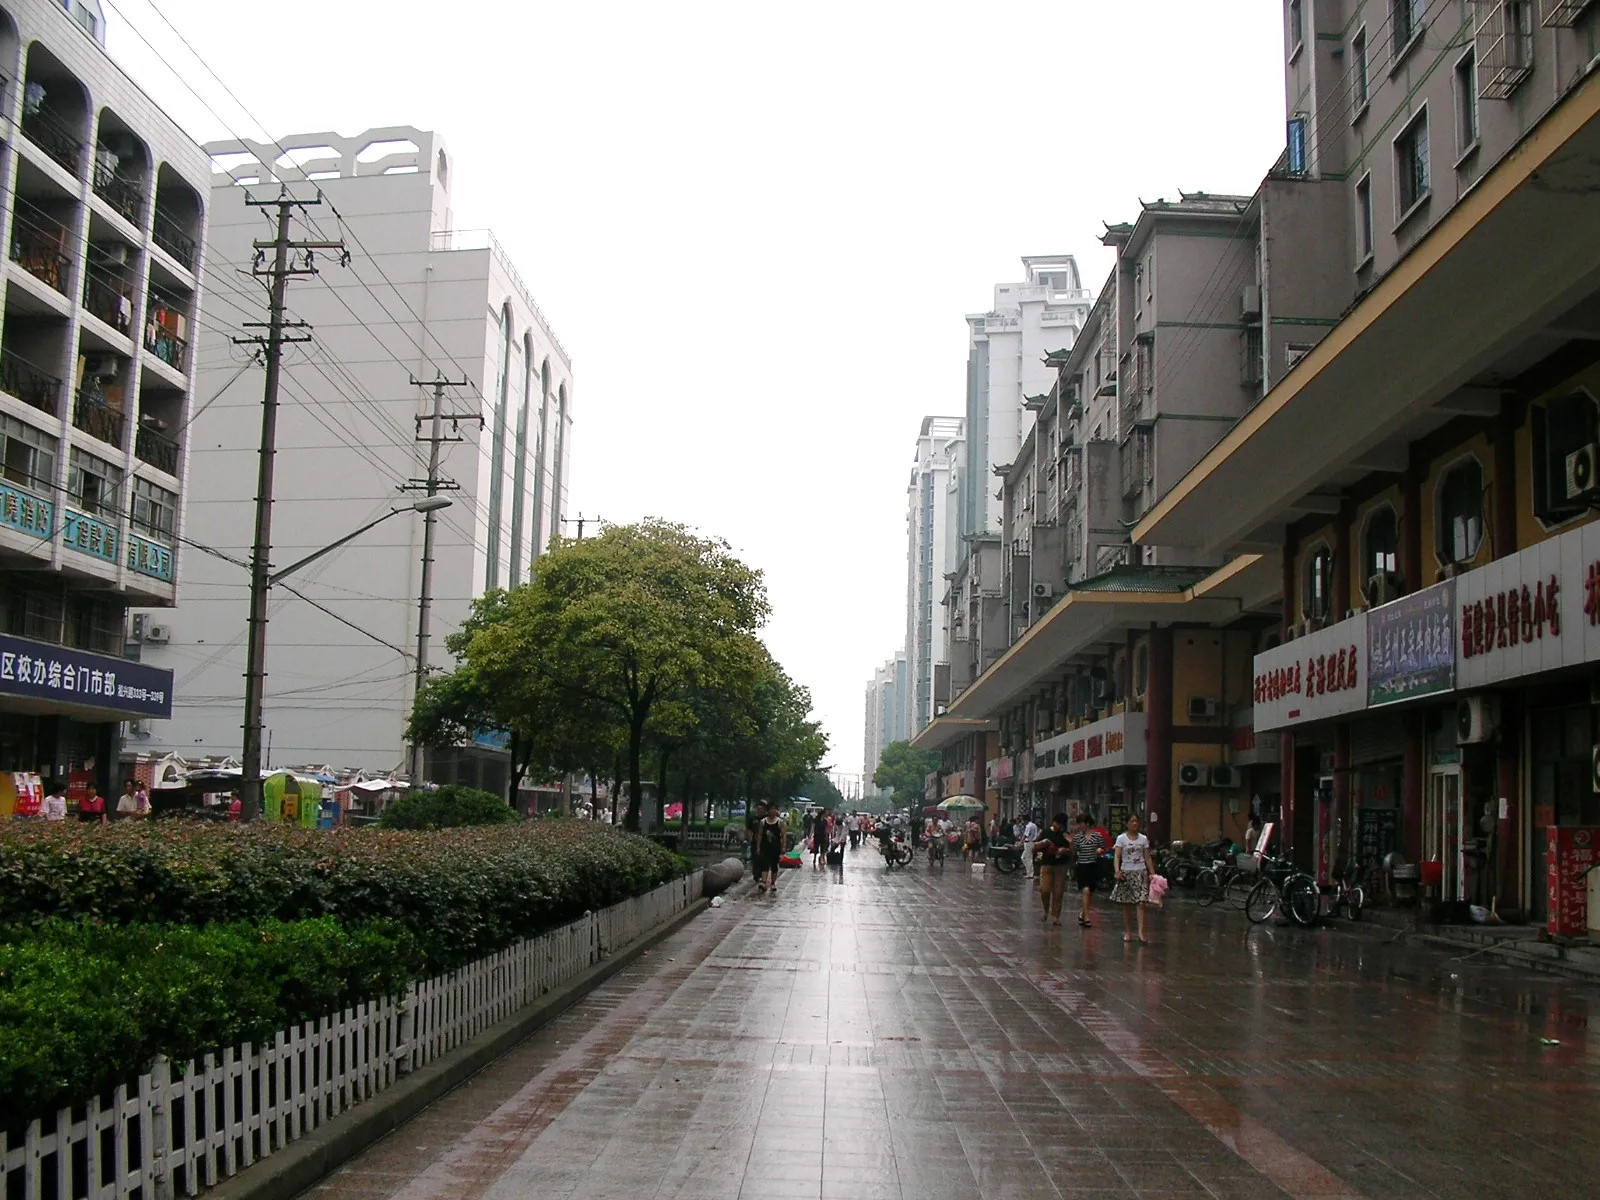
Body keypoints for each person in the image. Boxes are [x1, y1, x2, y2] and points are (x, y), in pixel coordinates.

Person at [1111, 814, 1154, 943]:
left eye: (1137, 821)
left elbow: (1147, 857)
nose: (1135, 823)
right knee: (1127, 904)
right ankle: (1128, 931)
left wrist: (1152, 873)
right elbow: (1117, 856)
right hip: (1126, 873)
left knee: (1141, 902)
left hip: (1140, 872)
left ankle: (1141, 931)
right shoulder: (1121, 839)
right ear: (1127, 823)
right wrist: (1117, 871)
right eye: (1132, 821)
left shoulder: (1143, 839)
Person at [1072, 813, 1108, 928]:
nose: (1080, 826)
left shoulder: (1097, 835)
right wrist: (1070, 842)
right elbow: (1074, 851)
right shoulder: (1078, 837)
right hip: (1082, 866)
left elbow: (1103, 848)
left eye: (1081, 823)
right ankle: (1087, 917)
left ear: (1087, 823)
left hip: (1093, 865)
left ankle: (1083, 913)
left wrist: (1100, 851)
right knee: (1085, 890)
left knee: (1090, 891)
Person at [1035, 814, 1071, 925]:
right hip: (1047, 864)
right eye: (1058, 824)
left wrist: (1066, 847)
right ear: (1053, 822)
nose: (1059, 827)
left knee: (1058, 892)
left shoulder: (1065, 835)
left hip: (1061, 865)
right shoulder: (1046, 832)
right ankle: (1046, 910)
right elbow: (1035, 846)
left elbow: (1072, 851)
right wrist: (1044, 843)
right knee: (1044, 889)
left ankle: (1056, 916)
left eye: (1062, 825)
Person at [754, 803, 786, 894]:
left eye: (774, 809)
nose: (773, 811)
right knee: (764, 864)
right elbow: (760, 835)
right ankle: (764, 882)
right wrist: (758, 847)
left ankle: (773, 883)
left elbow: (783, 835)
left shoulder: (780, 822)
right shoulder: (763, 822)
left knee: (774, 865)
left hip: (776, 847)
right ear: (768, 811)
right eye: (771, 809)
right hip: (765, 847)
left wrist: (783, 846)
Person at [1021, 814, 1040, 879]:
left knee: (1028, 858)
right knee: (1023, 857)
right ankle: (1029, 871)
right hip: (1032, 842)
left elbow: (1025, 835)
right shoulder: (1034, 825)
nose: (1022, 822)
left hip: (1028, 843)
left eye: (1023, 820)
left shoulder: (1028, 826)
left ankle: (1030, 874)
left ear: (1025, 820)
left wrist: (1021, 842)